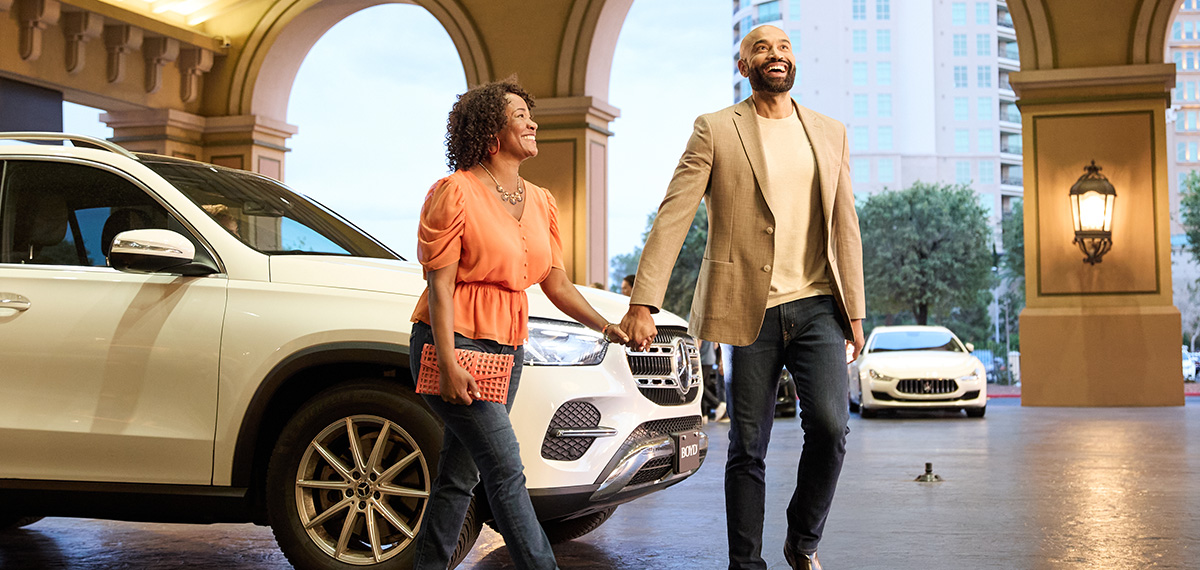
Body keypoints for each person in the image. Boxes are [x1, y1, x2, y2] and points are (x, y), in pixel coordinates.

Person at [618, 25, 865, 570]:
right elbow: (674, 213)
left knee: (829, 426)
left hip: (819, 303)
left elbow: (845, 224)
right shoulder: (715, 129)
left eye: (783, 48)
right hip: (745, 306)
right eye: (761, 48)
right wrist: (644, 301)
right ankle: (745, 564)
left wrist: (856, 311)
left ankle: (802, 542)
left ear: (793, 61)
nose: (774, 55)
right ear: (743, 65)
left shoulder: (829, 131)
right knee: (748, 445)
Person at [409, 77, 628, 570]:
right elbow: (439, 286)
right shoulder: (455, 191)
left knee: (458, 477)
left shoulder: (542, 200)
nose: (533, 123)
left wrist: (606, 325)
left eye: (531, 114)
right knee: (506, 472)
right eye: (520, 115)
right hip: (454, 340)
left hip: (507, 349)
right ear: (491, 130)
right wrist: (447, 363)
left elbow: (557, 284)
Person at [701, 340, 726, 421]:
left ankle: (717, 404)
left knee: (700, 387)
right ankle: (704, 414)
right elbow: (716, 345)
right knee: (704, 385)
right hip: (710, 359)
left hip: (702, 359)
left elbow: (698, 345)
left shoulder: (700, 331)